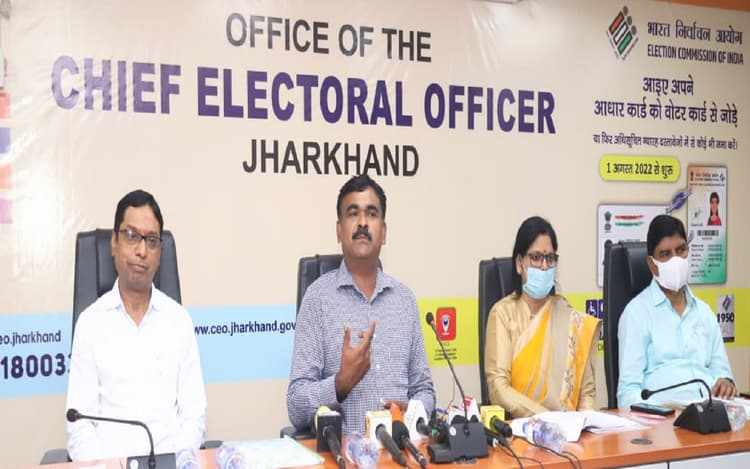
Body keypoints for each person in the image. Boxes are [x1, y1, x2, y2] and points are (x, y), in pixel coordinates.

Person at [287, 174, 435, 434]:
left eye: (372, 213)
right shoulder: (317, 300)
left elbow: (425, 390)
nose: (363, 223)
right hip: (343, 453)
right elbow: (296, 406)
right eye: (353, 213)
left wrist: (412, 410)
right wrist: (340, 383)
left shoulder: (405, 301)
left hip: (402, 451)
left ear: (384, 232)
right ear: (339, 230)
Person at [66, 190, 206, 461]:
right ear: (114, 242)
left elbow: (194, 417)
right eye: (131, 236)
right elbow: (79, 427)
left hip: (168, 463)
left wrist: (172, 463)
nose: (142, 251)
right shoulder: (91, 324)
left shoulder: (178, 321)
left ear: (160, 251)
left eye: (151, 241)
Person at [484, 216, 600, 417]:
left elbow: (586, 391)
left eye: (550, 258)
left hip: (570, 429)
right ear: (519, 263)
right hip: (522, 427)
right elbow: (498, 388)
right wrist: (548, 420)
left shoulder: (568, 316)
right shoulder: (503, 314)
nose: (544, 266)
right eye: (536, 258)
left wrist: (584, 423)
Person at [617, 214, 735, 409]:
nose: (676, 260)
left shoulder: (704, 312)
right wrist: (660, 413)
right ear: (652, 264)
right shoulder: (636, 314)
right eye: (665, 254)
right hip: (665, 418)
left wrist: (726, 383)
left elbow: (723, 374)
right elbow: (628, 394)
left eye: (680, 250)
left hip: (710, 411)